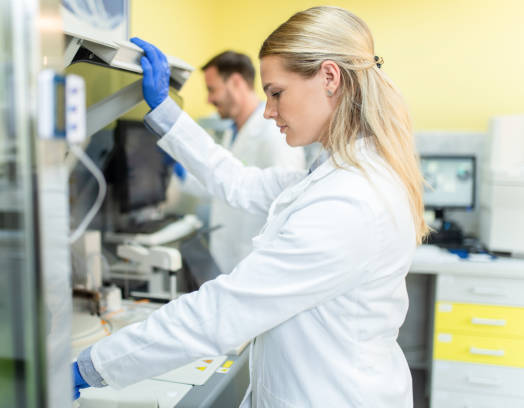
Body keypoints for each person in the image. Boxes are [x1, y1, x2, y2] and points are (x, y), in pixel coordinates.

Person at [73, 6, 429, 407]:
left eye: (277, 92)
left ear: (330, 77)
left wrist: (90, 366)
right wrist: (167, 114)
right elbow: (240, 183)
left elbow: (222, 312)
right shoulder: (335, 173)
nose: (268, 110)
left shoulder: (350, 201)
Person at [173, 50, 305, 275]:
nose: (209, 99)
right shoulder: (231, 132)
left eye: (212, 89)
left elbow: (286, 207)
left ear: (235, 82)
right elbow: (224, 183)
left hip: (257, 265)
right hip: (230, 257)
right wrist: (180, 168)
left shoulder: (275, 135)